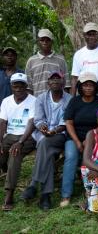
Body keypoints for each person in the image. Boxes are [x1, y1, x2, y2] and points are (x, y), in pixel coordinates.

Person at [21, 71, 72, 210]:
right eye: (52, 79)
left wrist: (54, 131)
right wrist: (43, 127)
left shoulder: (69, 99)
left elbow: (66, 122)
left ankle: (33, 183)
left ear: (63, 82)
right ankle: (45, 195)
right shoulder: (41, 98)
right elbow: (38, 119)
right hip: (43, 135)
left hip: (60, 135)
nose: (55, 81)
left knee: (44, 143)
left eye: (58, 79)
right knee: (47, 151)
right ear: (48, 83)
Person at [60, 72, 98, 207]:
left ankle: (92, 190)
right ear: (80, 86)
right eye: (85, 85)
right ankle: (66, 195)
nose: (88, 88)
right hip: (74, 138)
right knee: (71, 156)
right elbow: (68, 122)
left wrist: (89, 139)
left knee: (97, 158)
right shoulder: (74, 101)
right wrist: (78, 142)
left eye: (91, 85)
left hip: (95, 136)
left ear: (95, 87)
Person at [0, 73, 36, 211]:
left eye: (21, 85)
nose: (18, 88)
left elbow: (32, 123)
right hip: (10, 136)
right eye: (16, 85)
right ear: (11, 86)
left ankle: (9, 193)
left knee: (15, 154)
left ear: (26, 86)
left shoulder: (33, 101)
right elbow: (2, 122)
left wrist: (20, 142)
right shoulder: (6, 101)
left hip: (27, 137)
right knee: (2, 153)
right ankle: (4, 168)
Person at [25, 29, 71, 97]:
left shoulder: (61, 59)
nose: (45, 42)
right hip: (37, 101)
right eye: (42, 40)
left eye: (47, 40)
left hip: (57, 102)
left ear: (52, 42)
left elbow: (66, 85)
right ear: (38, 42)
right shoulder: (31, 61)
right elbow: (28, 87)